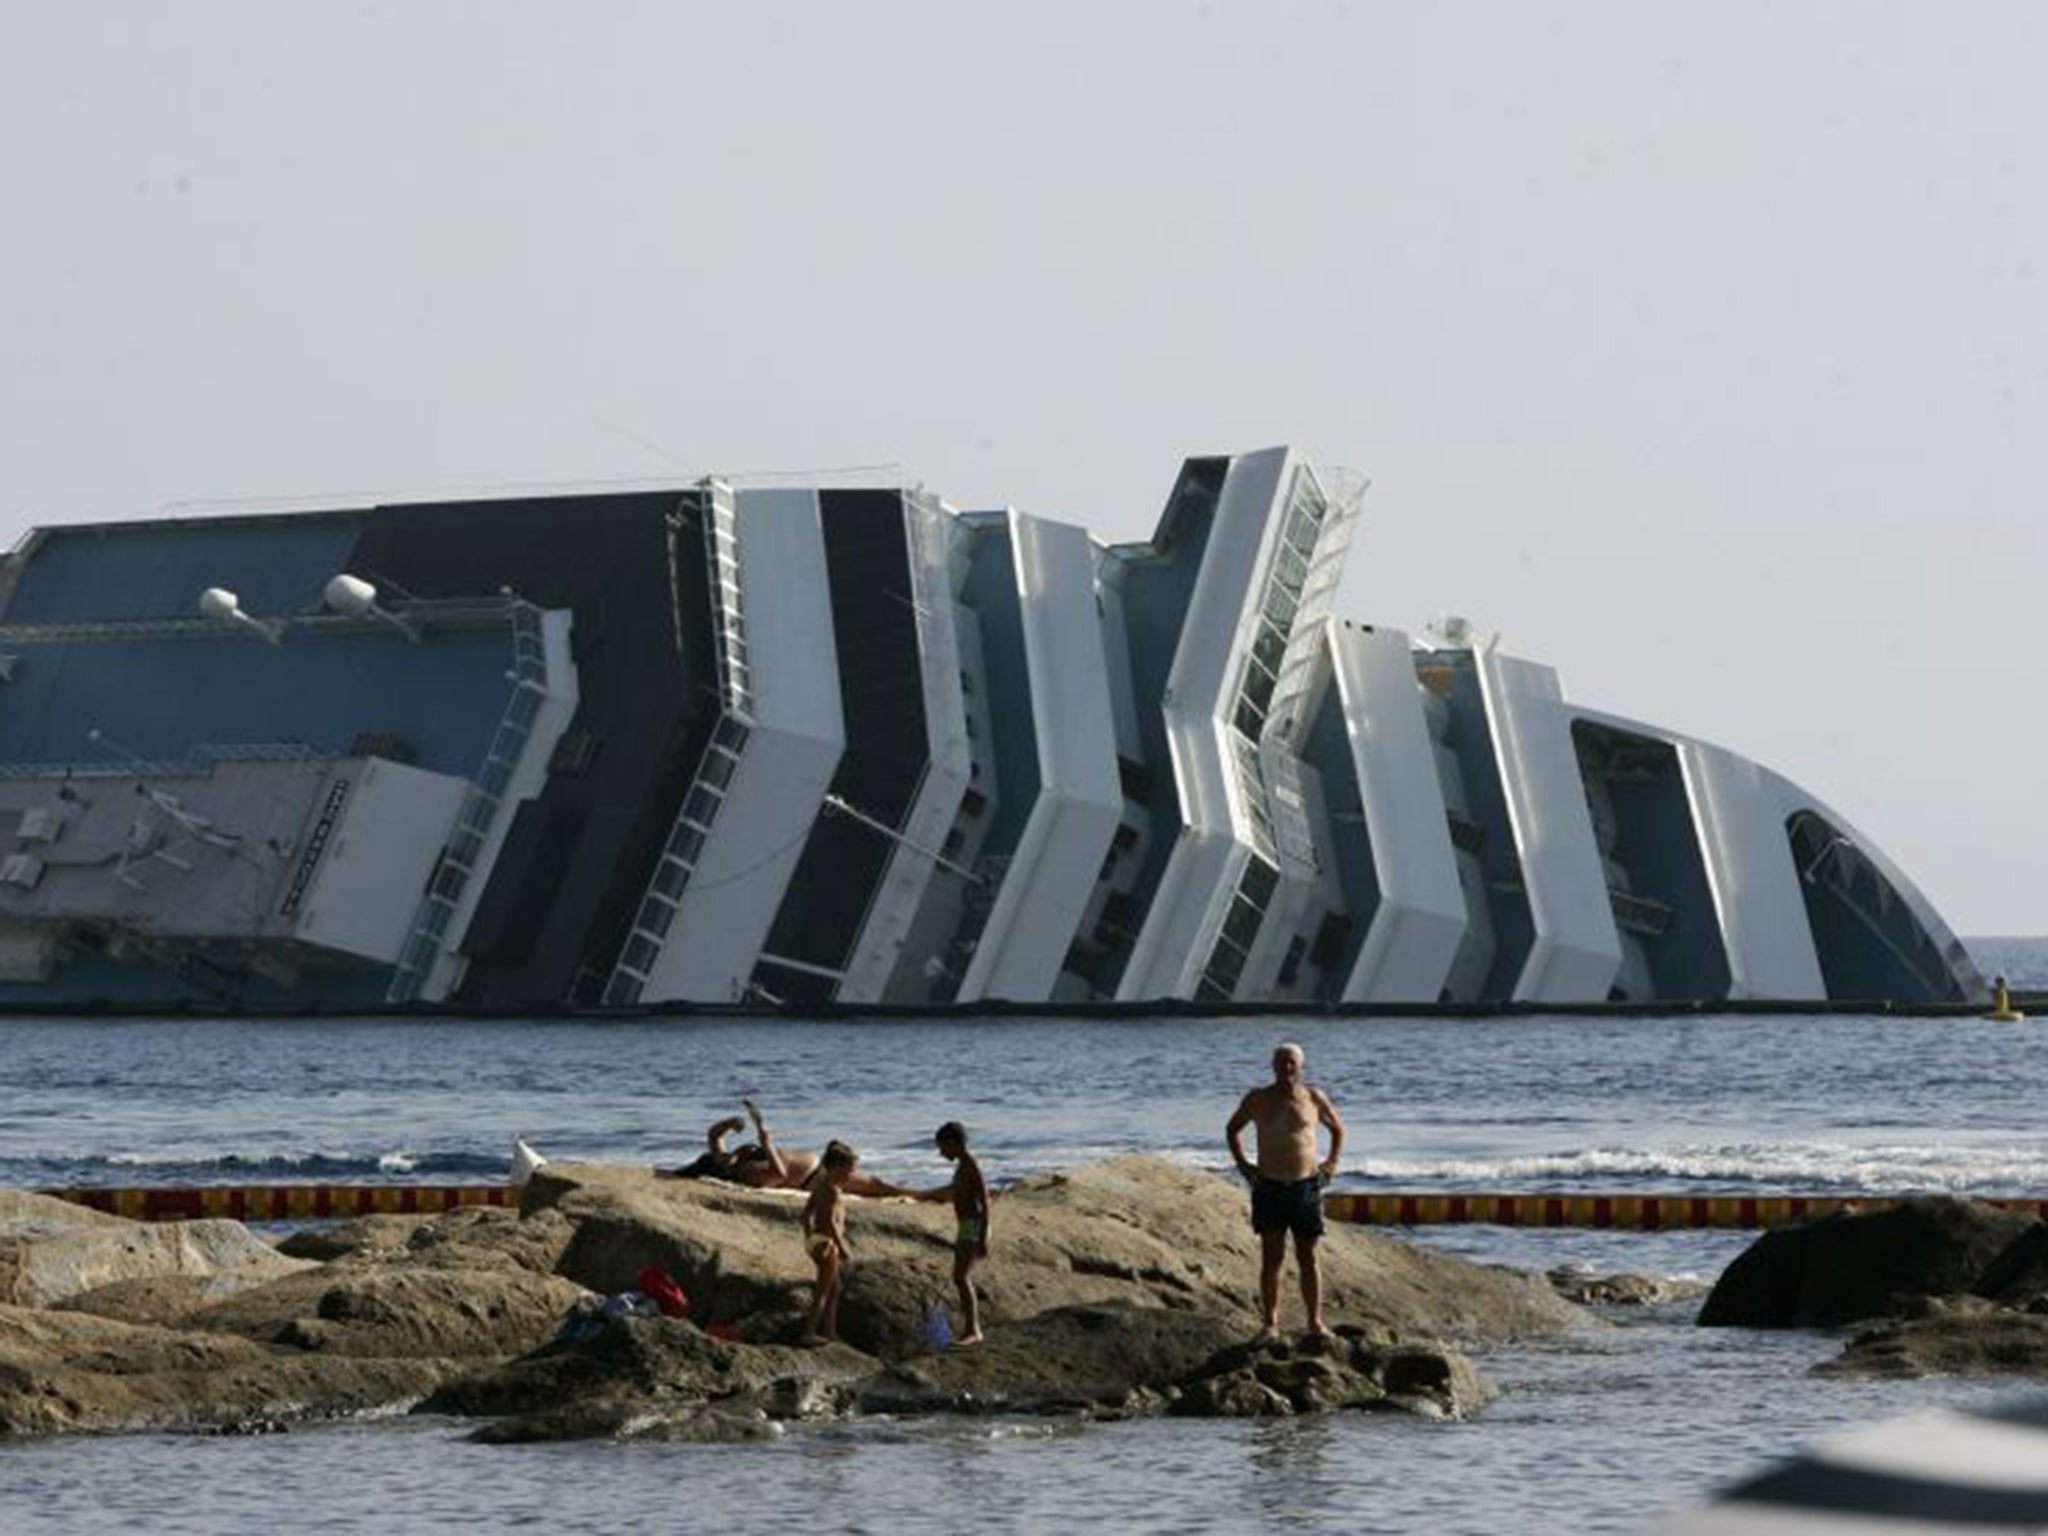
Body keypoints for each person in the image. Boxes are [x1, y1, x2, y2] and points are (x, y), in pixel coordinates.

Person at [1225, 1041, 1346, 1344]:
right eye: (1280, 1062)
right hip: (1269, 1185)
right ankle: (1270, 1324)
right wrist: (1243, 1165)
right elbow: (1232, 1129)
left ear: (1301, 1066)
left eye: (1291, 1062)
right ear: (1272, 1065)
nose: (1286, 1068)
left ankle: (1315, 1322)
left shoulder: (1314, 1097)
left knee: (1309, 1256)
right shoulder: (1258, 1098)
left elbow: (1338, 1129)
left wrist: (1331, 1162)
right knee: (1272, 1257)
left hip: (1305, 1185)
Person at [667, 1098, 906, 1197]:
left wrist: (731, 1123)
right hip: (814, 1178)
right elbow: (779, 1175)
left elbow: (713, 1134)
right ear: (723, 1171)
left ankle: (917, 1192)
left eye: (722, 1154)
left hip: (820, 1165)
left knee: (879, 1183)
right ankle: (923, 1195)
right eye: (723, 1159)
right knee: (877, 1186)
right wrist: (767, 1145)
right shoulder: (744, 1173)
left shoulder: (730, 1160)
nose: (727, 1154)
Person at [912, 1120, 990, 1348]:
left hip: (973, 1226)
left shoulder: (971, 1164)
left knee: (961, 1277)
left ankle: (973, 1330)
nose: (940, 1152)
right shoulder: (962, 1166)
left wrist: (983, 1235)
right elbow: (955, 1192)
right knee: (960, 1277)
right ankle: (971, 1329)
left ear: (954, 1143)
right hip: (966, 1226)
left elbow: (985, 1200)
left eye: (942, 1147)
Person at [798, 1139, 858, 1346]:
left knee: (834, 1289)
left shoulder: (820, 1186)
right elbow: (832, 1223)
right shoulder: (832, 1190)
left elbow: (805, 1216)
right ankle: (809, 1332)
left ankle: (830, 1331)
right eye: (850, 1170)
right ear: (837, 1167)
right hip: (828, 1243)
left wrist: (810, 1239)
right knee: (823, 1291)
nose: (852, 1174)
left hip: (816, 1241)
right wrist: (842, 1247)